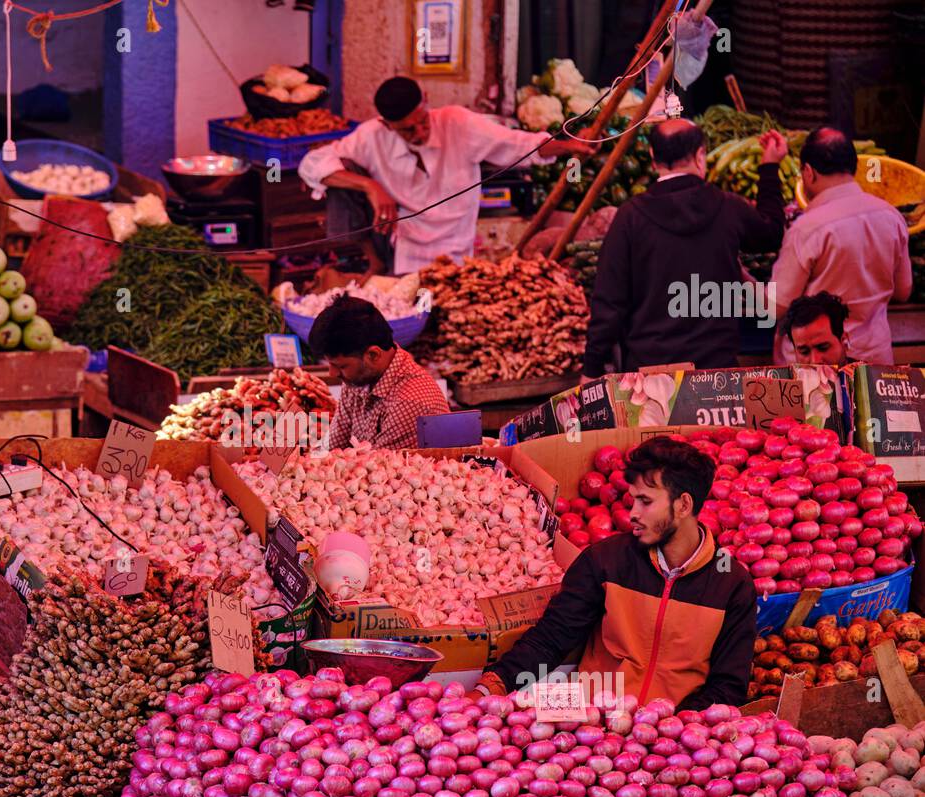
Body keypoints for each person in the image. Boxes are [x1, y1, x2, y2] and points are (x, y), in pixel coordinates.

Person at [475, 437, 756, 709]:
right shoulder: (606, 560)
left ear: (683, 505)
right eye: (633, 500)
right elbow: (551, 638)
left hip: (672, 736)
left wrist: (670, 729)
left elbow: (728, 688)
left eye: (645, 501)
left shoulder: (731, 585)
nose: (633, 513)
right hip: (590, 717)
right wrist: (491, 687)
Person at [298, 76, 593, 275]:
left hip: (453, 249)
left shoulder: (458, 122)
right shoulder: (372, 136)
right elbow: (312, 163)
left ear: (426, 102)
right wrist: (371, 186)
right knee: (339, 176)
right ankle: (370, 264)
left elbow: (521, 145)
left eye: (422, 121)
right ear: (387, 125)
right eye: (407, 130)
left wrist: (569, 145)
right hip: (401, 247)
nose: (420, 133)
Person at [584, 119, 788, 377]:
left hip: (651, 379)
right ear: (700, 154)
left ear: (652, 157)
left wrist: (591, 368)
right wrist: (769, 167)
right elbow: (771, 234)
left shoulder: (630, 217)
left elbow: (609, 301)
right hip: (717, 375)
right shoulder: (728, 207)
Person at [771, 127, 913, 366]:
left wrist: (744, 279)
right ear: (854, 167)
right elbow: (902, 291)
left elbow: (777, 307)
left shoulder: (807, 228)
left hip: (817, 365)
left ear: (808, 172)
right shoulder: (891, 216)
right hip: (873, 361)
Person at [310, 295, 449, 450]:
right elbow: (333, 444)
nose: (332, 373)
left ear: (373, 355)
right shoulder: (357, 379)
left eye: (341, 366)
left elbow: (377, 469)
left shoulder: (409, 402)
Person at [782, 291, 850, 367]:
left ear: (844, 342)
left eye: (823, 348)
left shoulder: (864, 376)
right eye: (804, 352)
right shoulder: (784, 378)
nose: (815, 361)